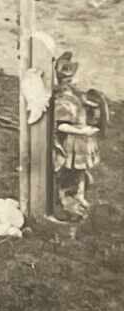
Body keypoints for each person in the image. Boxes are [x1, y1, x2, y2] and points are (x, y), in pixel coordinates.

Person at [52, 52, 102, 221]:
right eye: (67, 79)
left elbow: (80, 103)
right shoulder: (60, 99)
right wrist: (82, 131)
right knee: (69, 172)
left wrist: (88, 104)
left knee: (81, 171)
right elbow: (61, 125)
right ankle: (64, 199)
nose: (71, 81)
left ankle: (80, 195)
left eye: (71, 77)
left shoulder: (72, 94)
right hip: (72, 141)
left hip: (83, 142)